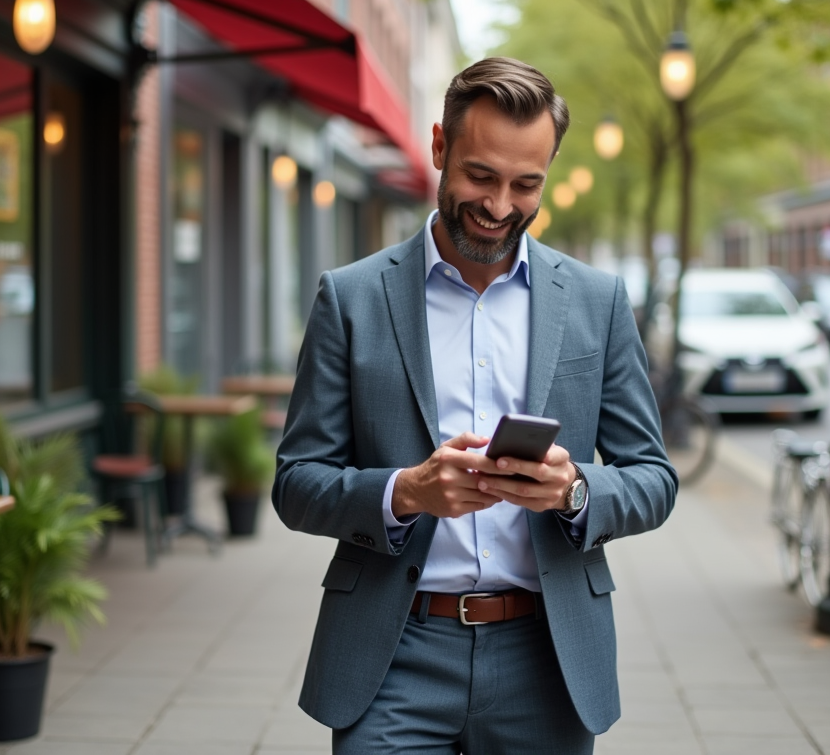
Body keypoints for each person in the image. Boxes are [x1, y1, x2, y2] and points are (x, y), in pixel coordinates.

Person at [273, 56, 678, 754]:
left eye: (527, 185)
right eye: (480, 176)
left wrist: (575, 490)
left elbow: (653, 478)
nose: (498, 207)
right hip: (392, 652)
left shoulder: (598, 302)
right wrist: (405, 493)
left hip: (546, 658)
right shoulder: (351, 298)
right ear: (439, 147)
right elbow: (295, 483)